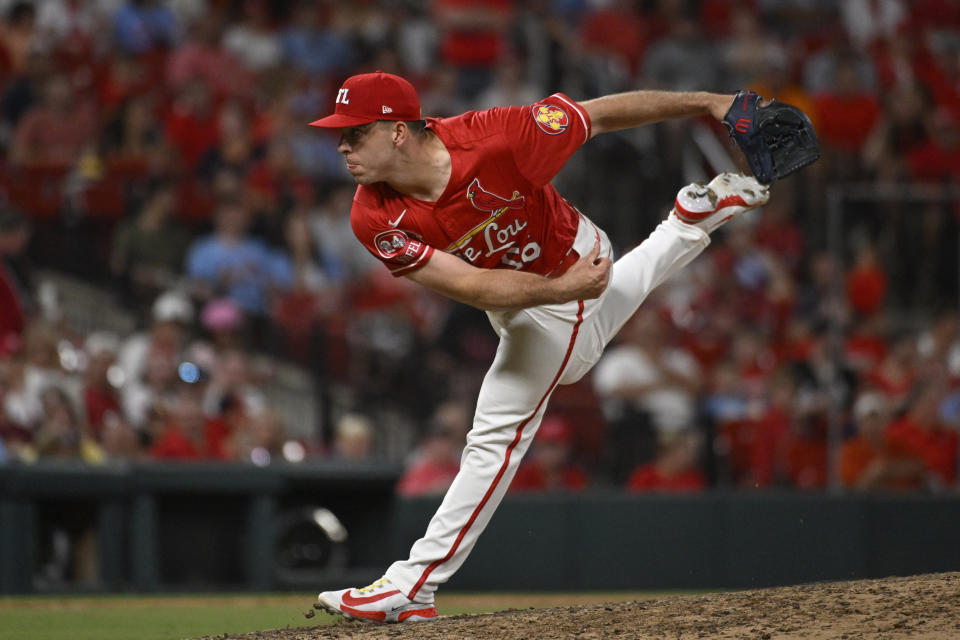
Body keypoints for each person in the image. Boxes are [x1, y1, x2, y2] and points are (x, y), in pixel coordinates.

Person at [309, 70, 770, 623]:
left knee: (496, 433)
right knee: (575, 363)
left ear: (398, 132)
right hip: (531, 293)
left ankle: (413, 585)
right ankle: (687, 224)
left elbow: (599, 113)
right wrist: (561, 291)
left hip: (569, 259)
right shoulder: (372, 213)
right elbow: (472, 286)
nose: (341, 146)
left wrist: (711, 102)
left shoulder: (496, 135)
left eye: (354, 133)